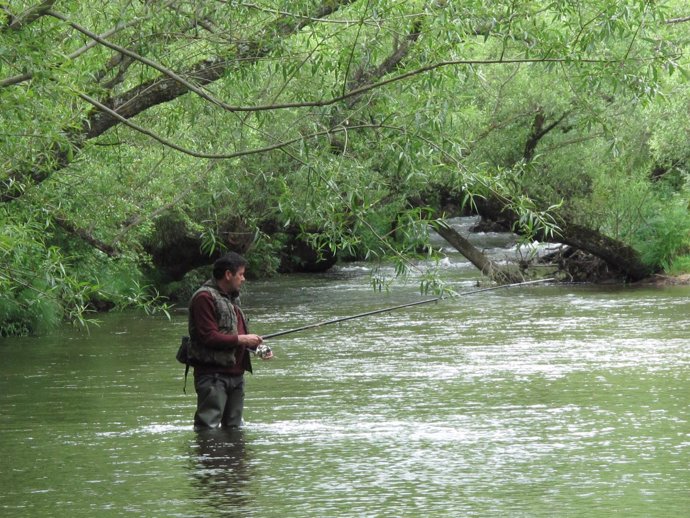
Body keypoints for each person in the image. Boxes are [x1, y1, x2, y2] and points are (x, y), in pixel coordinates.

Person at [187, 252, 271, 430]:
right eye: (240, 274)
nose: (243, 278)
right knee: (207, 428)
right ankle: (208, 457)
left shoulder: (232, 299)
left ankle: (234, 458)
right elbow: (208, 337)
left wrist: (257, 348)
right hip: (213, 376)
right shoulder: (204, 298)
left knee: (235, 429)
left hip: (236, 375)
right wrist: (243, 339)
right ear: (228, 274)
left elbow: (235, 336)